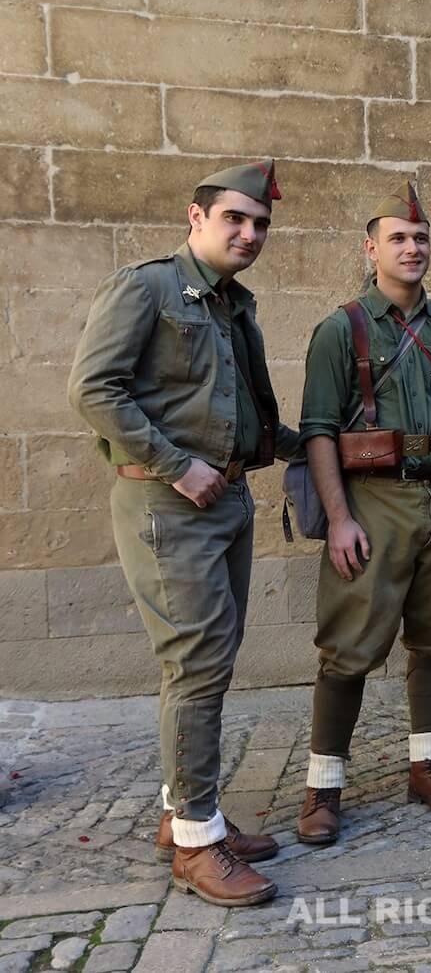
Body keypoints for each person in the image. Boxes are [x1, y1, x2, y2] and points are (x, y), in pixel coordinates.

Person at [68, 160, 301, 906]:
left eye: (260, 223)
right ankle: (197, 846)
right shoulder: (147, 288)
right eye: (235, 218)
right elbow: (92, 389)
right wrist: (176, 467)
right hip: (170, 508)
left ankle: (186, 814)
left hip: (226, 503)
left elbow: (235, 407)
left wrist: (312, 443)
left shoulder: (233, 304)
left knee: (210, 664)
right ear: (194, 217)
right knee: (196, 667)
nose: (249, 233)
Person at [294, 182, 431, 845]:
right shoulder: (341, 329)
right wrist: (338, 519)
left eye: (421, 238)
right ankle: (323, 788)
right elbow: (319, 430)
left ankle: (427, 768)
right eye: (398, 239)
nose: (412, 249)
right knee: (348, 648)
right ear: (371, 247)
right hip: (373, 501)